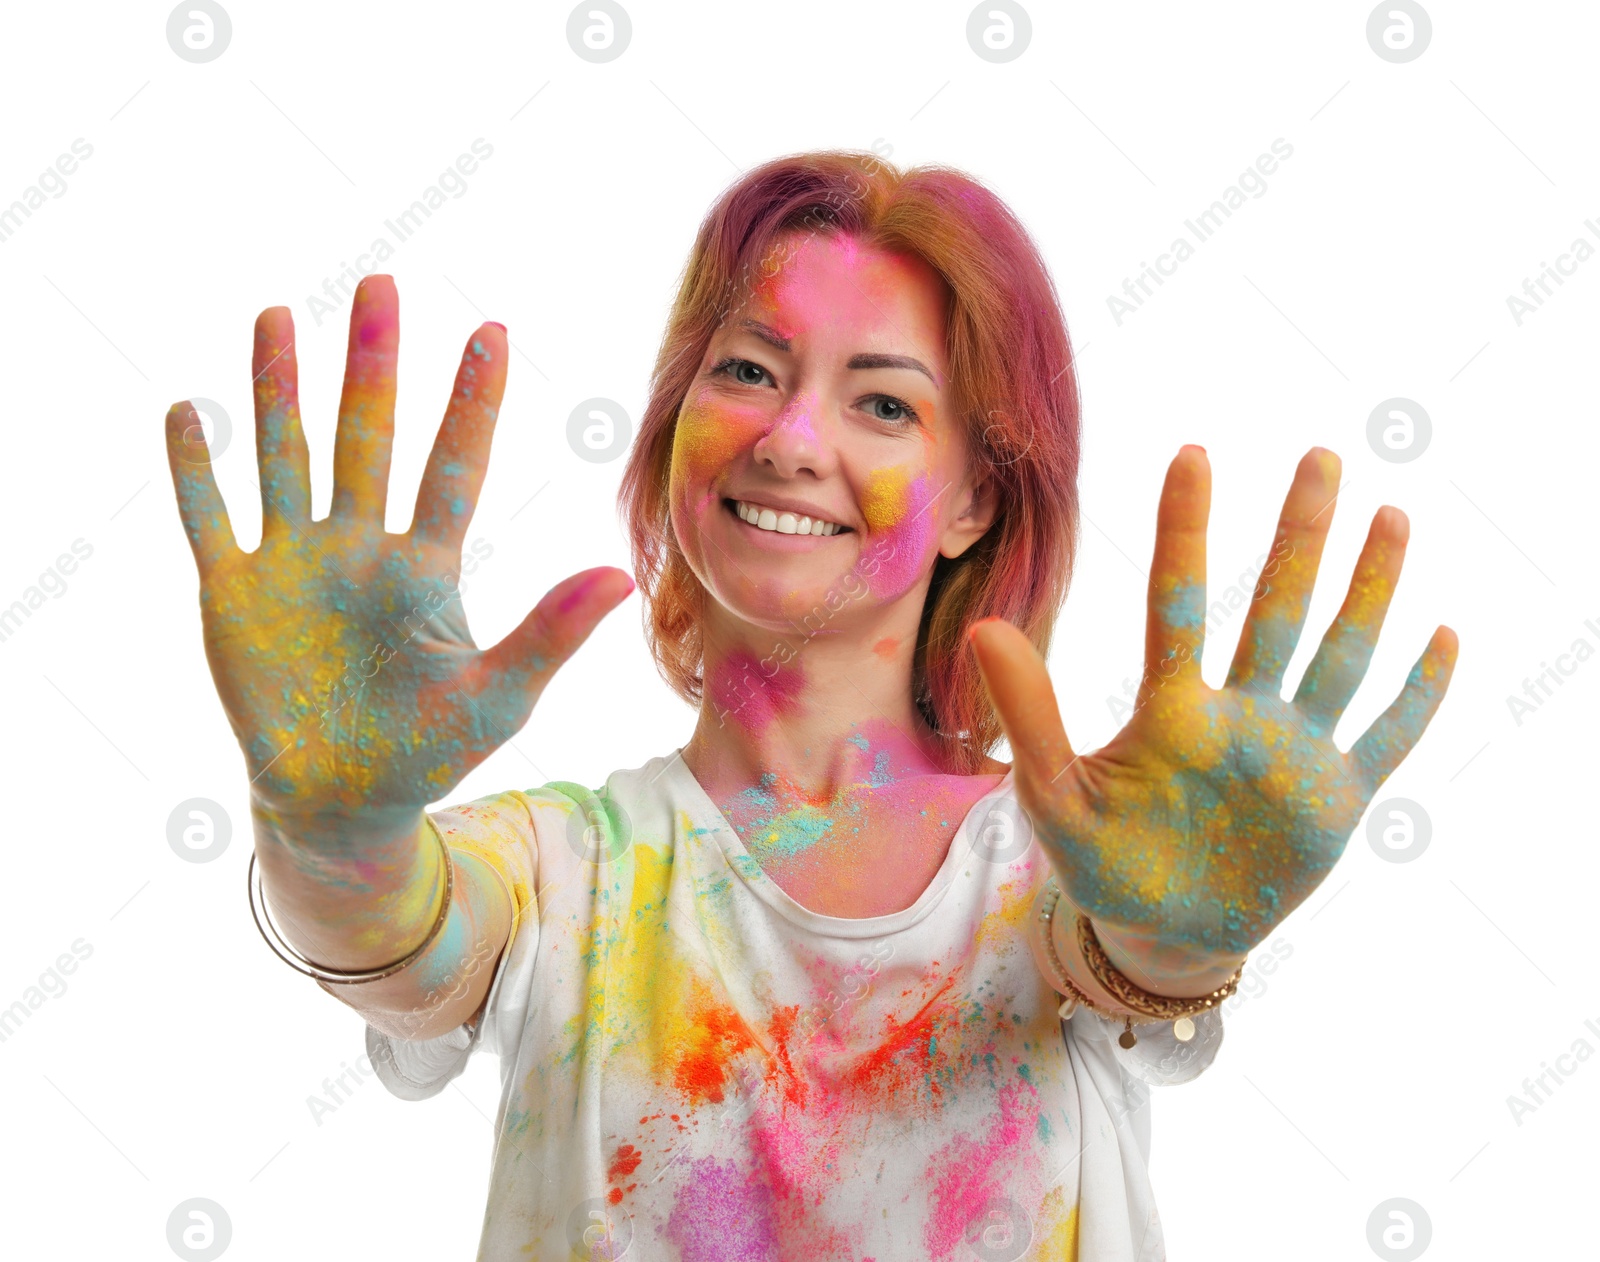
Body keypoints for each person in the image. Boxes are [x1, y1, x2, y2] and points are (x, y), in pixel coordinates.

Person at [164, 150, 1456, 1261]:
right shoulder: (571, 869)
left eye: (883, 401)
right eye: (747, 369)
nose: (789, 436)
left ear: (975, 502)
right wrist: (329, 829)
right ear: (676, 426)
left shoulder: (1059, 859)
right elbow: (404, 932)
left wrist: (1176, 936)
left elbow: (1124, 956)